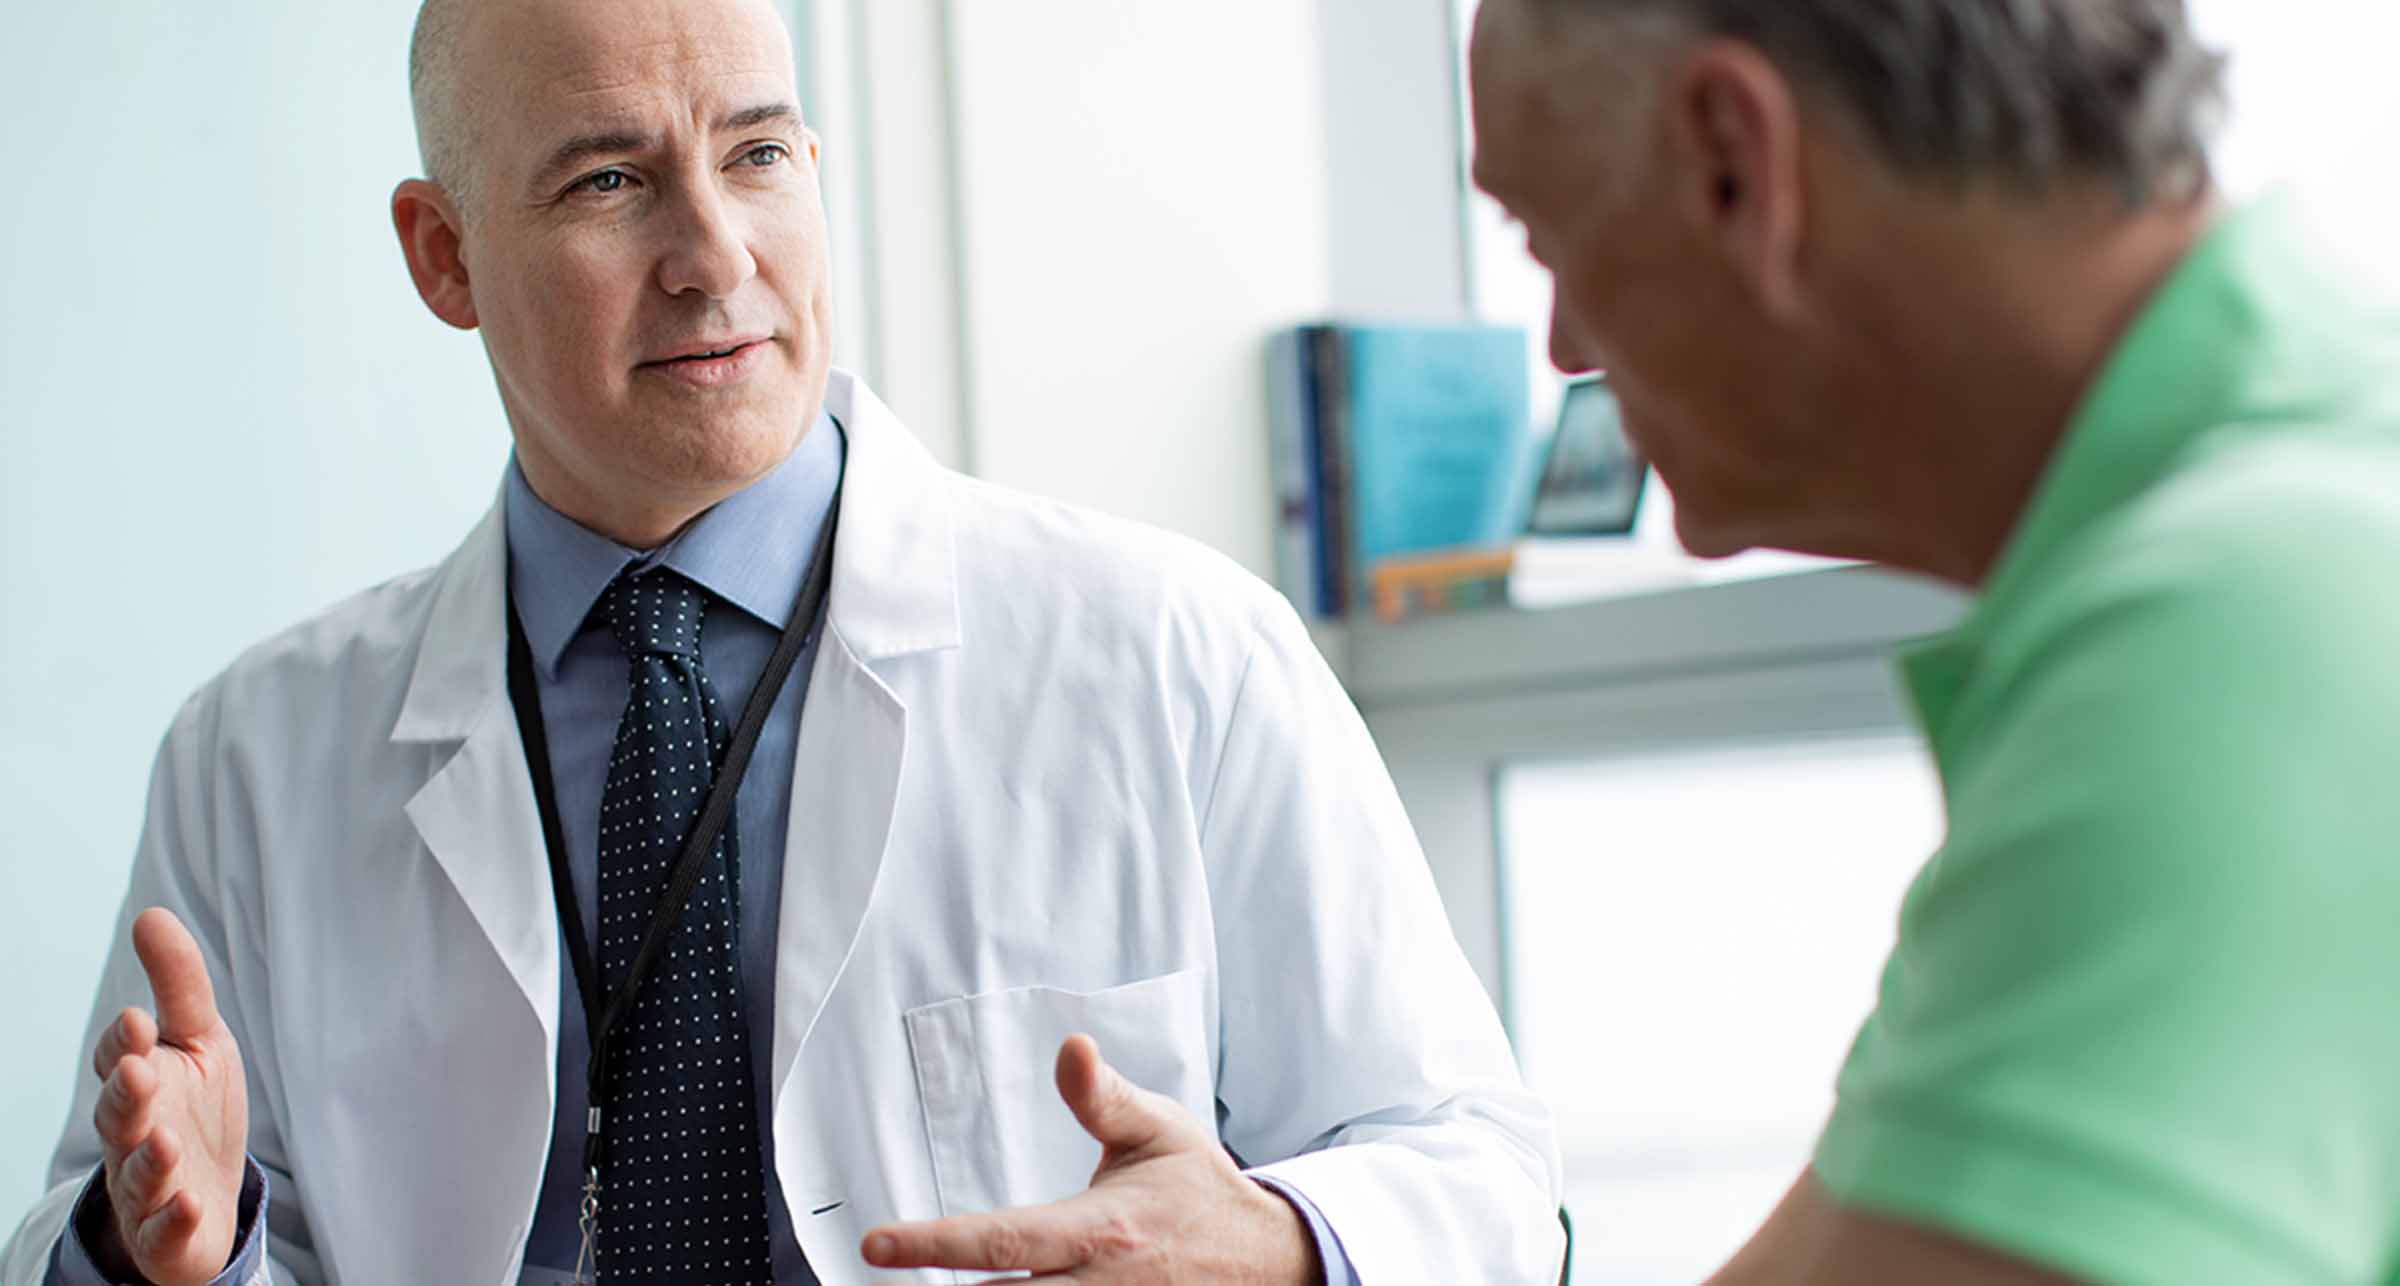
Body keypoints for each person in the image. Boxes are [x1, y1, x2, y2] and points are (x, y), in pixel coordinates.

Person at [0, 0, 1567, 1282]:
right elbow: (114, 1229)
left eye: (757, 155)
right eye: (609, 181)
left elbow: (1484, 1178)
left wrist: (1287, 1245)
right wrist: (159, 1256)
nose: (715, 252)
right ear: (444, 257)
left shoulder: (1177, 655)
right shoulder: (252, 760)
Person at [1469, 0, 2400, 1281]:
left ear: (1735, 160)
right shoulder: (2272, 508)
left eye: (1546, 236)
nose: (1565, 341)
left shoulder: (2239, 624)